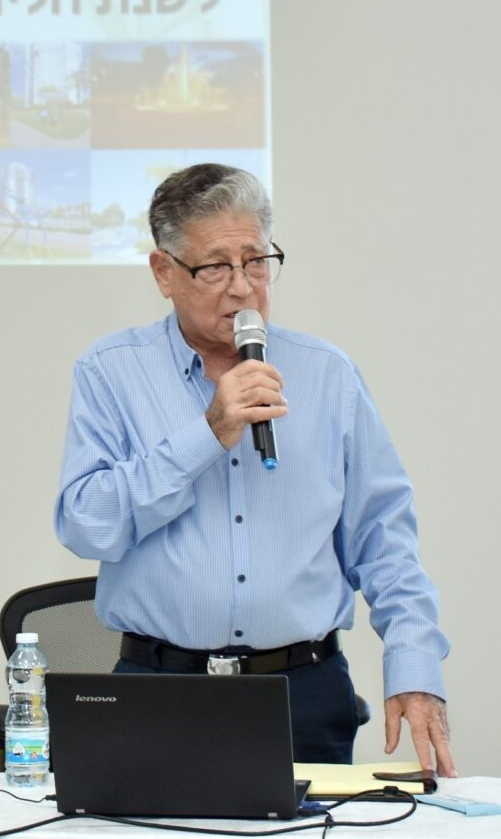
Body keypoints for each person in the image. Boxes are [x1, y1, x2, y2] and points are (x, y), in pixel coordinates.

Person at [54, 163, 454, 774]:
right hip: (158, 689)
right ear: (164, 272)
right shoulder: (111, 372)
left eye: (257, 261)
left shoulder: (328, 375)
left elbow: (385, 542)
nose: (242, 287)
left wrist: (415, 669)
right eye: (215, 267)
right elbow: (87, 526)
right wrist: (207, 434)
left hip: (303, 695)